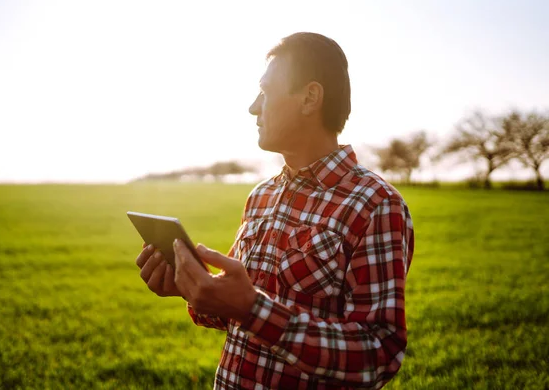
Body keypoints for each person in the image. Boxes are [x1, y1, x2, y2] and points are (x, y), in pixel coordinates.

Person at [135, 32, 414, 390]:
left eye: (265, 92)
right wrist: (191, 288)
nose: (253, 106)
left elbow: (378, 354)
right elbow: (236, 313)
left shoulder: (375, 204)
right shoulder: (261, 196)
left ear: (310, 98)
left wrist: (254, 309)